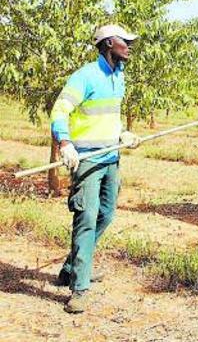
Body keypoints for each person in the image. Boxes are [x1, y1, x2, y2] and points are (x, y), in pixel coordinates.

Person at [49, 24, 141, 314]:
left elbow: (106, 118)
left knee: (106, 214)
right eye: (125, 41)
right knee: (86, 219)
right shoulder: (85, 76)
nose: (129, 46)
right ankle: (79, 288)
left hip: (110, 158)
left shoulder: (119, 77)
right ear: (109, 43)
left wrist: (122, 134)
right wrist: (65, 144)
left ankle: (71, 267)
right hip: (87, 160)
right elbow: (59, 110)